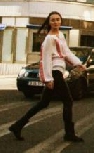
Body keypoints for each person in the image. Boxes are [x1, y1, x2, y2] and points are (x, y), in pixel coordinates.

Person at [9, 11, 85, 142]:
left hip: (58, 71)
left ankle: (17, 125)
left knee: (43, 103)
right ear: (49, 22)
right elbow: (45, 59)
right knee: (68, 101)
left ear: (61, 21)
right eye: (53, 20)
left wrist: (78, 63)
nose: (56, 22)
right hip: (54, 72)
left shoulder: (60, 35)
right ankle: (69, 133)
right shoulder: (49, 38)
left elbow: (66, 53)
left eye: (58, 19)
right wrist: (48, 79)